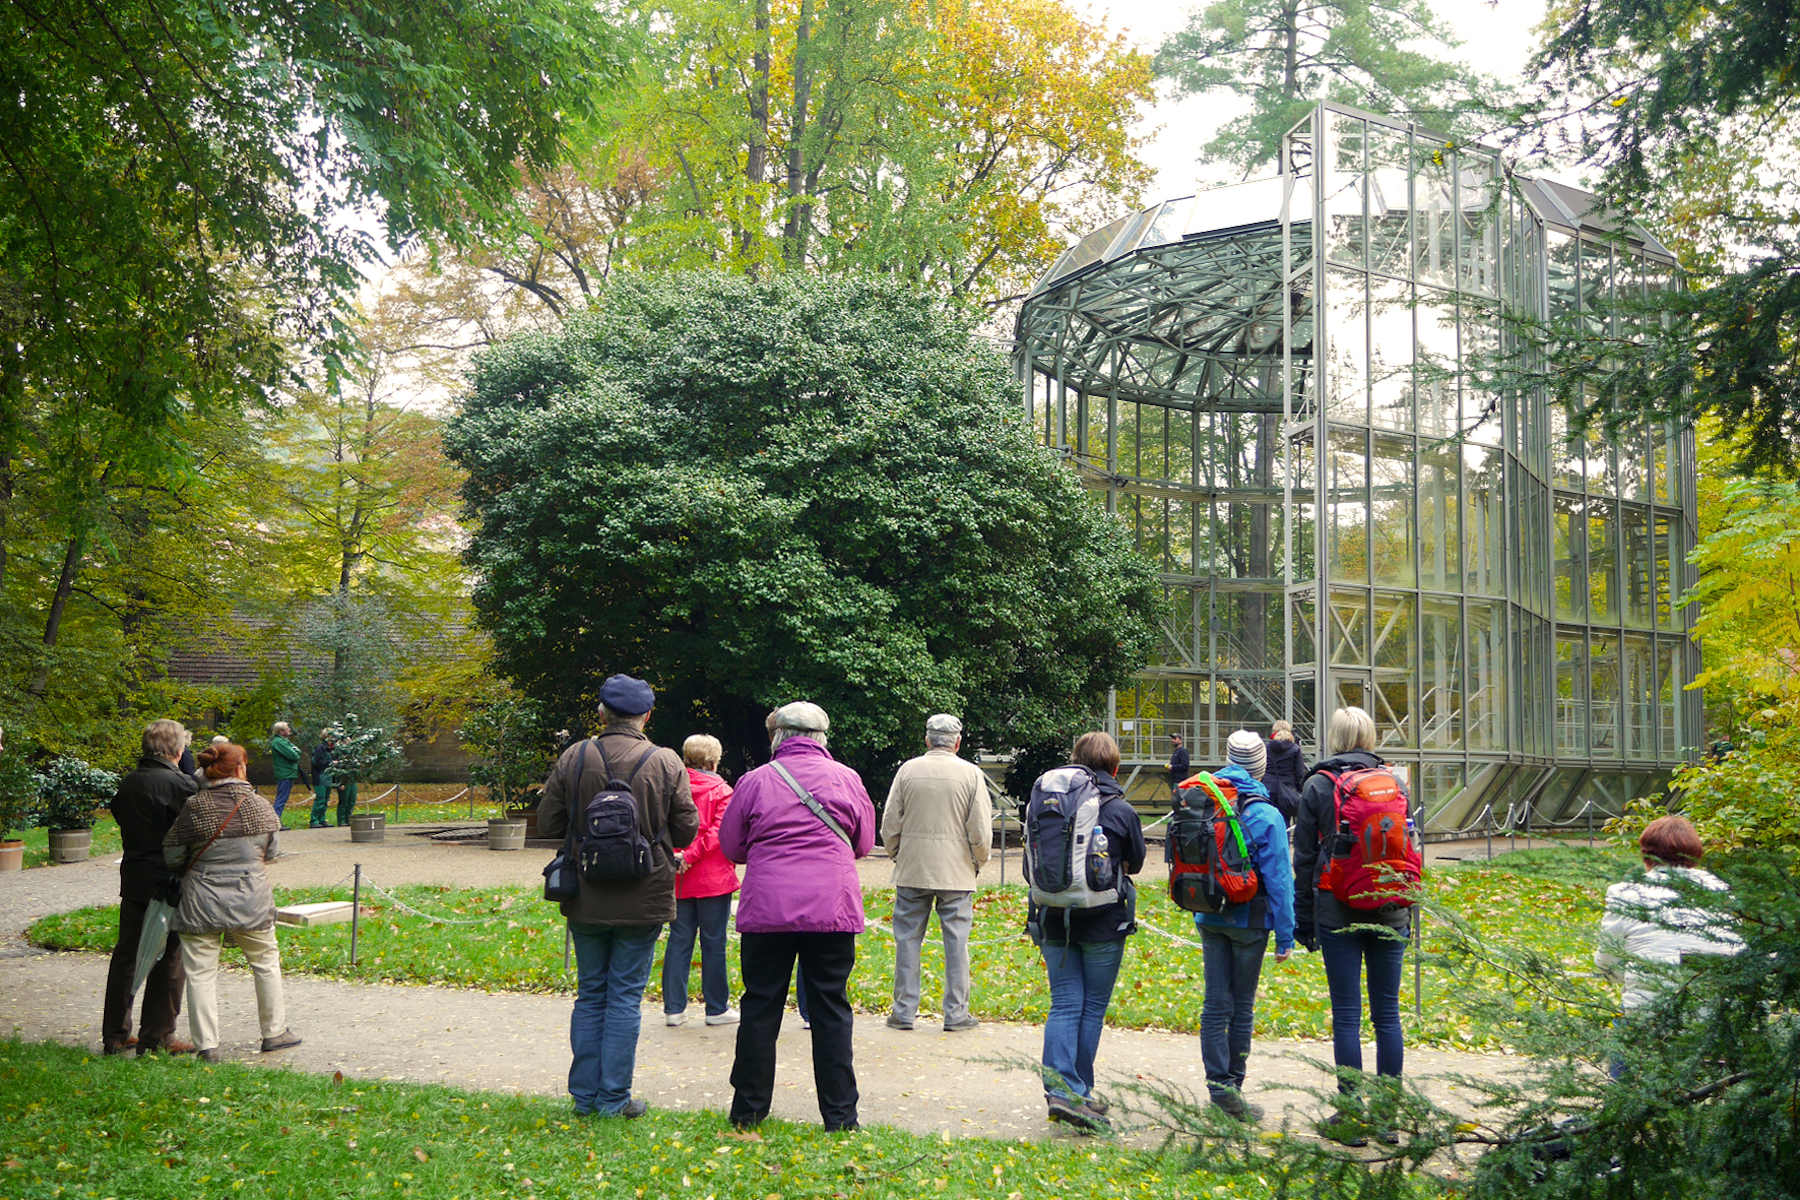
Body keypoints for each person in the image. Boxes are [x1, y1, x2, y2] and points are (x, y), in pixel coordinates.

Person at [536, 674, 698, 1118]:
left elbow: (548, 822)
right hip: (644, 893)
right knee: (625, 996)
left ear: (602, 714)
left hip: (585, 892)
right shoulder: (665, 761)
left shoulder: (576, 756)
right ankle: (613, 1099)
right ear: (646, 716)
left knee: (590, 994)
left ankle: (584, 1098)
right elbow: (687, 829)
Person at [720, 701, 876, 1132]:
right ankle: (840, 1116)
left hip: (768, 909)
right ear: (823, 739)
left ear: (777, 737)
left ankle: (748, 1111)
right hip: (831, 909)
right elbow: (863, 843)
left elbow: (731, 846)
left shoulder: (754, 781)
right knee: (831, 1008)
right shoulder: (847, 779)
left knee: (760, 1006)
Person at [1293, 706, 1408, 1146]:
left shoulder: (1319, 784)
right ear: (1370, 736)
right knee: (1387, 1016)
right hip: (1391, 908)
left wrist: (1304, 921)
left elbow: (1304, 858)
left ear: (1336, 737)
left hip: (1336, 908)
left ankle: (1350, 1117)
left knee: (1346, 1015)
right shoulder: (1394, 783)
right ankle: (1388, 1120)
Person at [1025, 731, 1146, 1133]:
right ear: (1115, 767)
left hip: (1053, 917)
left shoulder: (1050, 801)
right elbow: (1138, 862)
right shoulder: (1119, 809)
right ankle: (1078, 1092)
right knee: (1091, 1008)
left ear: (1075, 761)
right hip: (1103, 922)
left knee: (1064, 1005)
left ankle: (1063, 1092)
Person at [163, 741, 301, 1062]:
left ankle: (207, 1046)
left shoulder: (194, 808)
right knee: (265, 962)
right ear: (240, 768)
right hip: (250, 898)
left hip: (200, 900)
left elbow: (171, 855)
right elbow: (272, 853)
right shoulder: (260, 807)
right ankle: (274, 1032)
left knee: (200, 972)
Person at [1193, 731, 1295, 1122]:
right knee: (1242, 1006)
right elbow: (1281, 882)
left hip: (1209, 915)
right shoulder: (1266, 814)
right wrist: (1285, 936)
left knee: (1214, 1004)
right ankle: (1232, 1091)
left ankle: (1217, 1088)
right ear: (1261, 766)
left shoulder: (1205, 801)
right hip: (1250, 921)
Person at [881, 713, 993, 1032]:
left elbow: (890, 823)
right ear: (958, 742)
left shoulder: (907, 770)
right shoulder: (971, 774)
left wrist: (897, 855)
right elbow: (981, 830)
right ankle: (956, 1012)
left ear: (927, 739)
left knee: (907, 940)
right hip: (956, 871)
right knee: (957, 943)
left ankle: (903, 1010)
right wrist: (976, 862)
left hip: (913, 868)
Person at [101, 719, 200, 1056]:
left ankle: (115, 1033)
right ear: (177, 749)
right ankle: (157, 1035)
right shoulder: (181, 785)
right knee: (169, 958)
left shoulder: (128, 784)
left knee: (127, 954)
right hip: (169, 879)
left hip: (134, 876)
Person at [1596, 815, 1742, 1031]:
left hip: (1647, 1013)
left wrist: (1629, 980)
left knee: (1624, 1043)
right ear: (1695, 855)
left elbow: (1607, 961)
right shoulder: (1723, 892)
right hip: (1712, 1016)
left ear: (1645, 855)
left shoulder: (1624, 894)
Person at [663, 733, 740, 1028]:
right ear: (713, 761)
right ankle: (716, 1007)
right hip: (713, 878)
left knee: (678, 941)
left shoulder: (672, 788)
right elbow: (719, 833)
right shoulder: (723, 791)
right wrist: (692, 856)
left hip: (678, 875)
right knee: (713, 942)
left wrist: (679, 856)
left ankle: (673, 1008)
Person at [1264, 720, 1307, 823]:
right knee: (1284, 823)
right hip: (1287, 791)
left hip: (1268, 789)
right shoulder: (1295, 749)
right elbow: (1299, 774)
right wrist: (1299, 791)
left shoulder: (1266, 747)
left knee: (1268, 822)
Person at [269, 722, 301, 823]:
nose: (290, 730)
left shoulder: (284, 741)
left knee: (282, 798)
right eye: (287, 728)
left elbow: (298, 752)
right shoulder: (279, 742)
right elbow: (294, 756)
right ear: (281, 731)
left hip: (288, 773)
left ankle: (276, 821)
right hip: (284, 773)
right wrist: (295, 751)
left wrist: (295, 751)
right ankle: (275, 821)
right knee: (281, 799)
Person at [308, 735, 335, 828]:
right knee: (320, 799)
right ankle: (314, 820)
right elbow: (317, 762)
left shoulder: (331, 749)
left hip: (328, 777)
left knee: (326, 799)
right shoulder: (320, 748)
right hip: (320, 777)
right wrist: (330, 763)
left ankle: (322, 819)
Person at [1168, 733, 1190, 800]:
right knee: (1175, 801)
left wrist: (1173, 767)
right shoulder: (1176, 752)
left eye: (1175, 738)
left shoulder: (1183, 751)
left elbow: (1185, 765)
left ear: (1180, 740)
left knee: (1179, 801)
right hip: (1174, 780)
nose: (1172, 740)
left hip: (1180, 781)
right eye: (1172, 739)